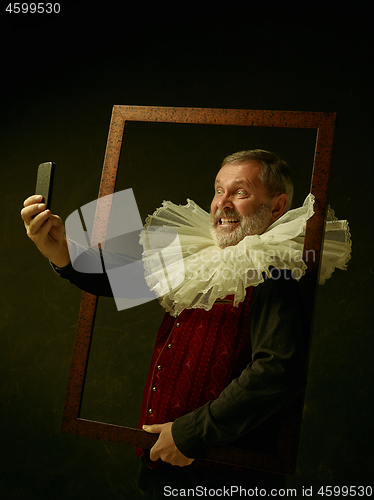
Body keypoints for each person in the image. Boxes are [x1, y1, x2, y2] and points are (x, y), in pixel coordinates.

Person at [21, 150, 311, 498]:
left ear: (277, 207)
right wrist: (62, 252)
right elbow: (124, 278)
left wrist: (190, 434)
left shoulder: (277, 269)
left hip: (222, 478)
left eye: (240, 192)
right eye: (219, 190)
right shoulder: (202, 255)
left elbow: (278, 372)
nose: (223, 203)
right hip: (164, 465)